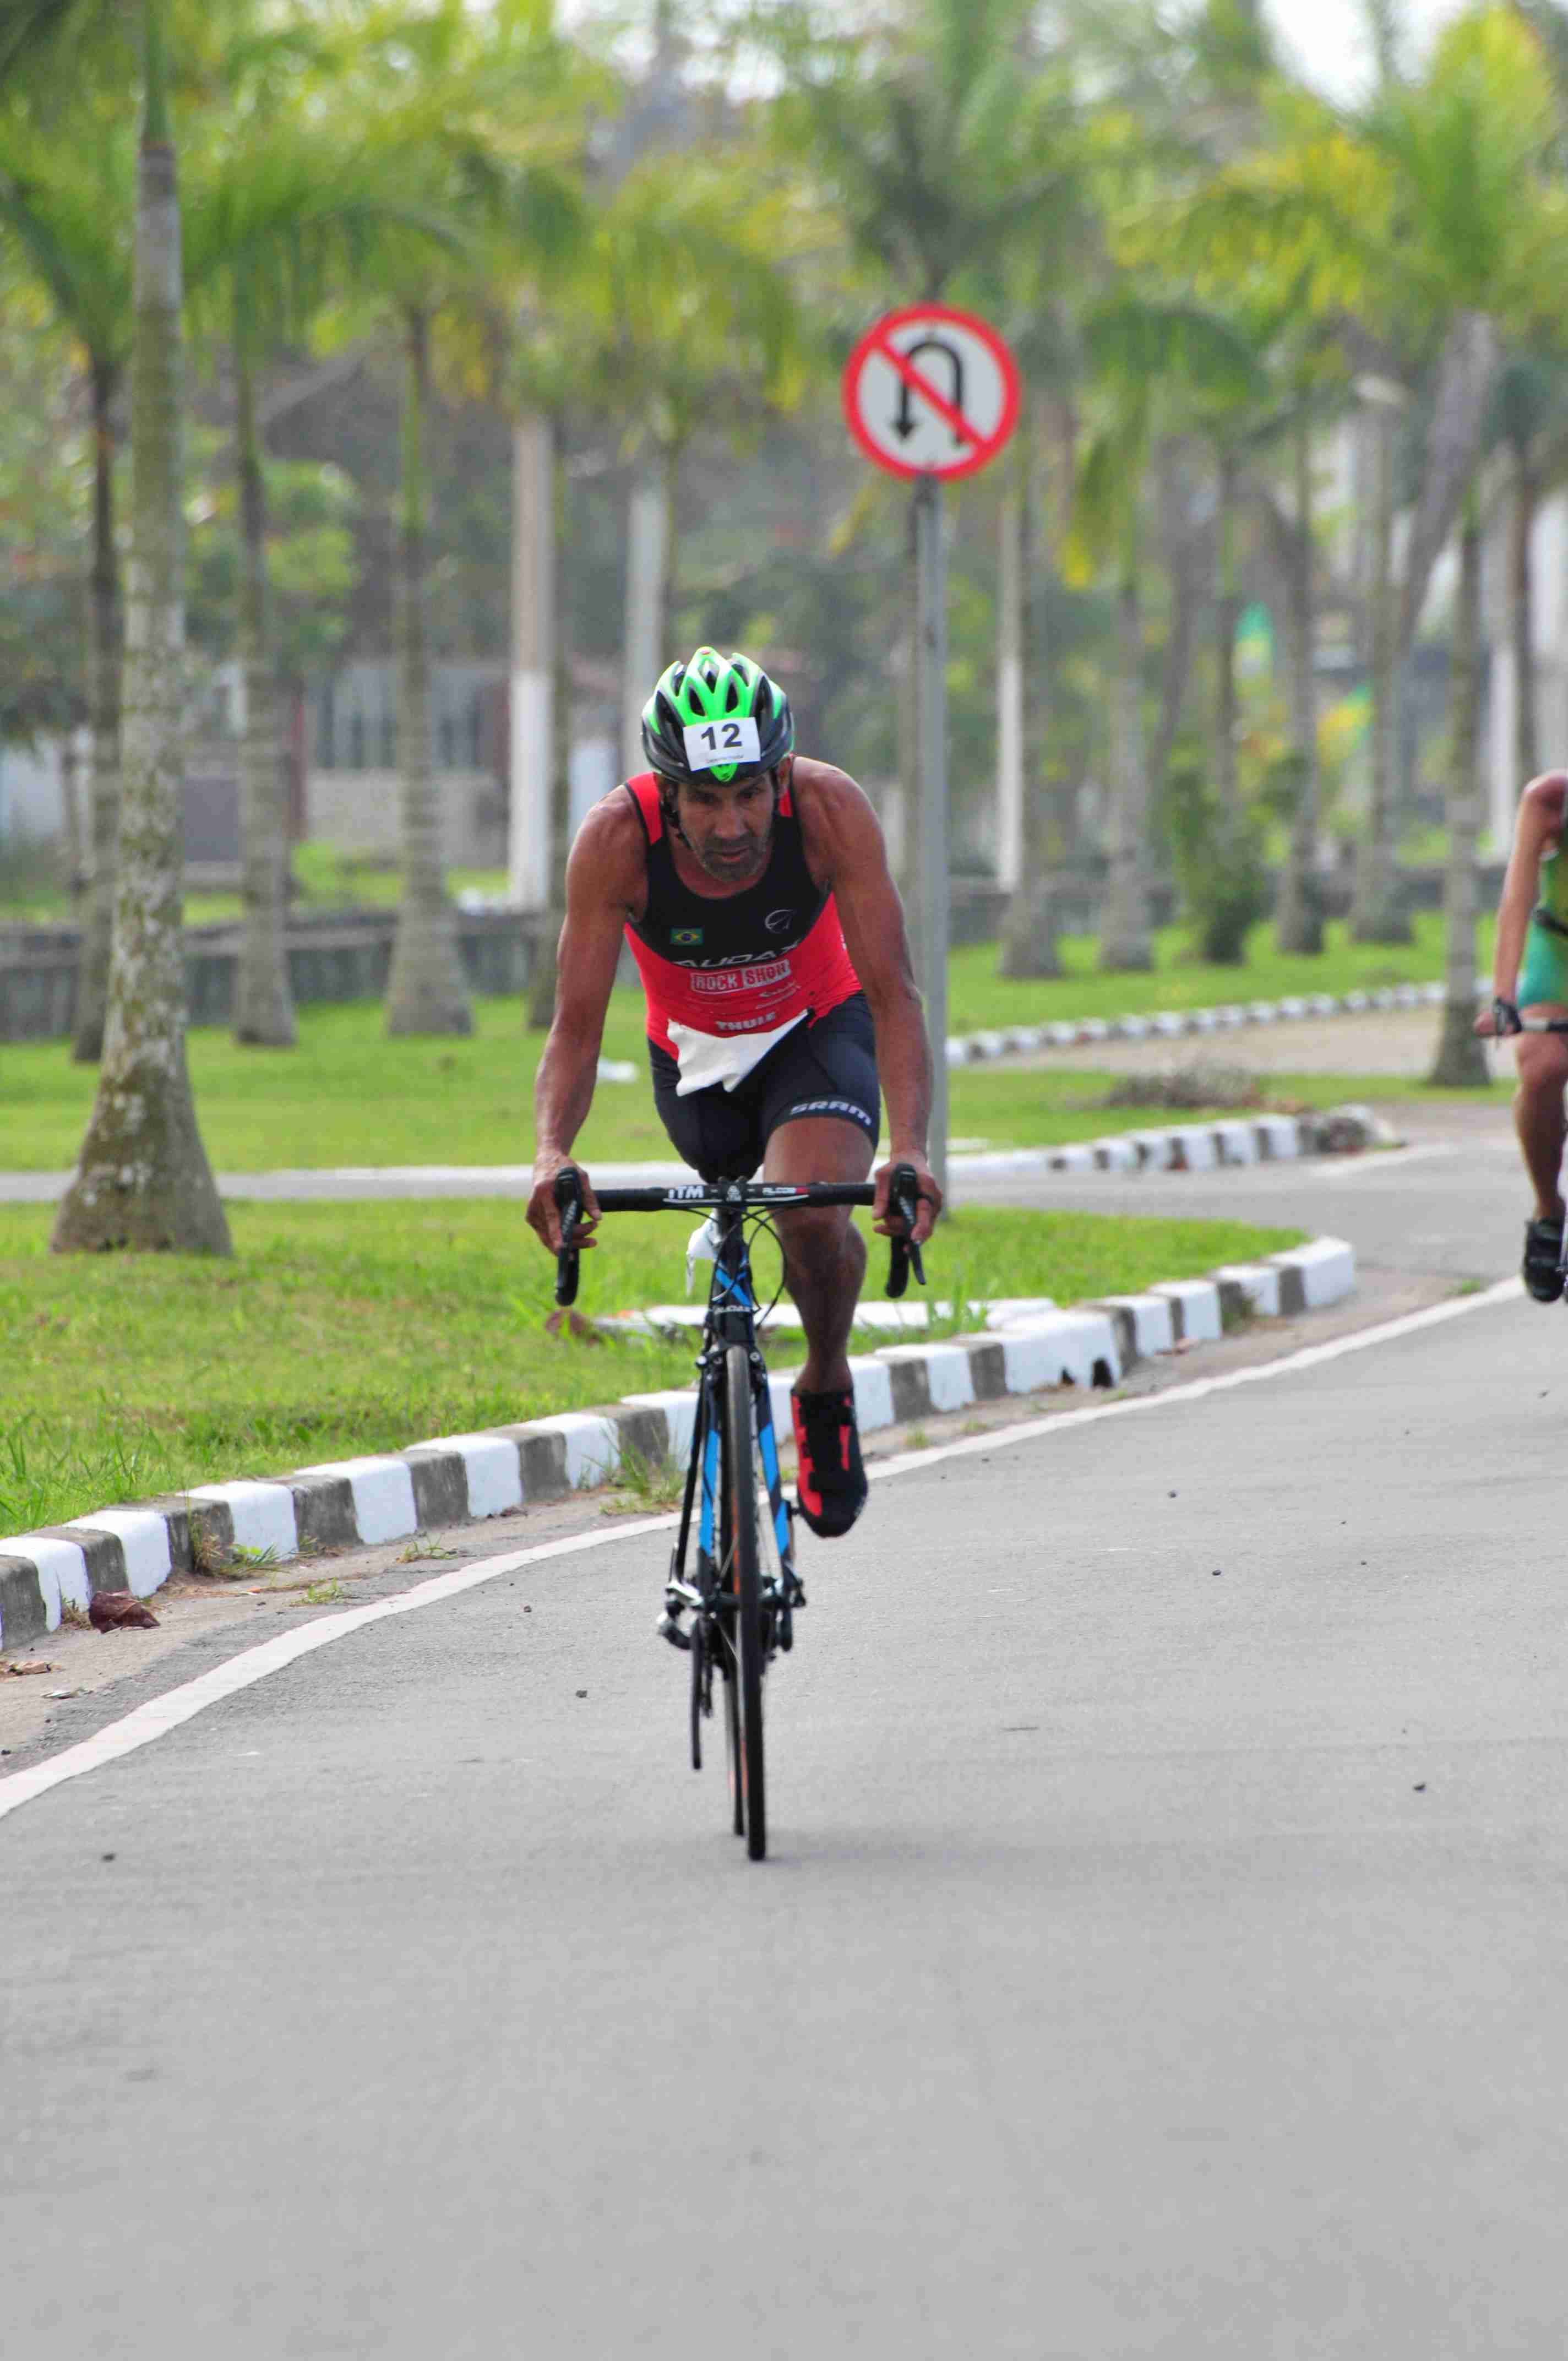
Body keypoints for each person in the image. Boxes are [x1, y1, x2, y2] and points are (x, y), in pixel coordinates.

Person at [526, 646, 941, 1537]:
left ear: (779, 779)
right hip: (693, 1060)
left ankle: (824, 1381)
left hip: (814, 1034)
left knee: (807, 1214)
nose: (729, 825)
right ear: (665, 794)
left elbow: (893, 995)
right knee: (727, 1192)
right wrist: (553, 1154)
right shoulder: (612, 842)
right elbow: (576, 1027)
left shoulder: (830, 812)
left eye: (748, 793)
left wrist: (908, 1146)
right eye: (704, 800)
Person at [1477, 766, 1568, 1299]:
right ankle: (1547, 1209)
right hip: (1556, 952)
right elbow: (1515, 902)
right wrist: (1504, 998)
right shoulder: (1549, 800)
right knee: (1543, 1065)